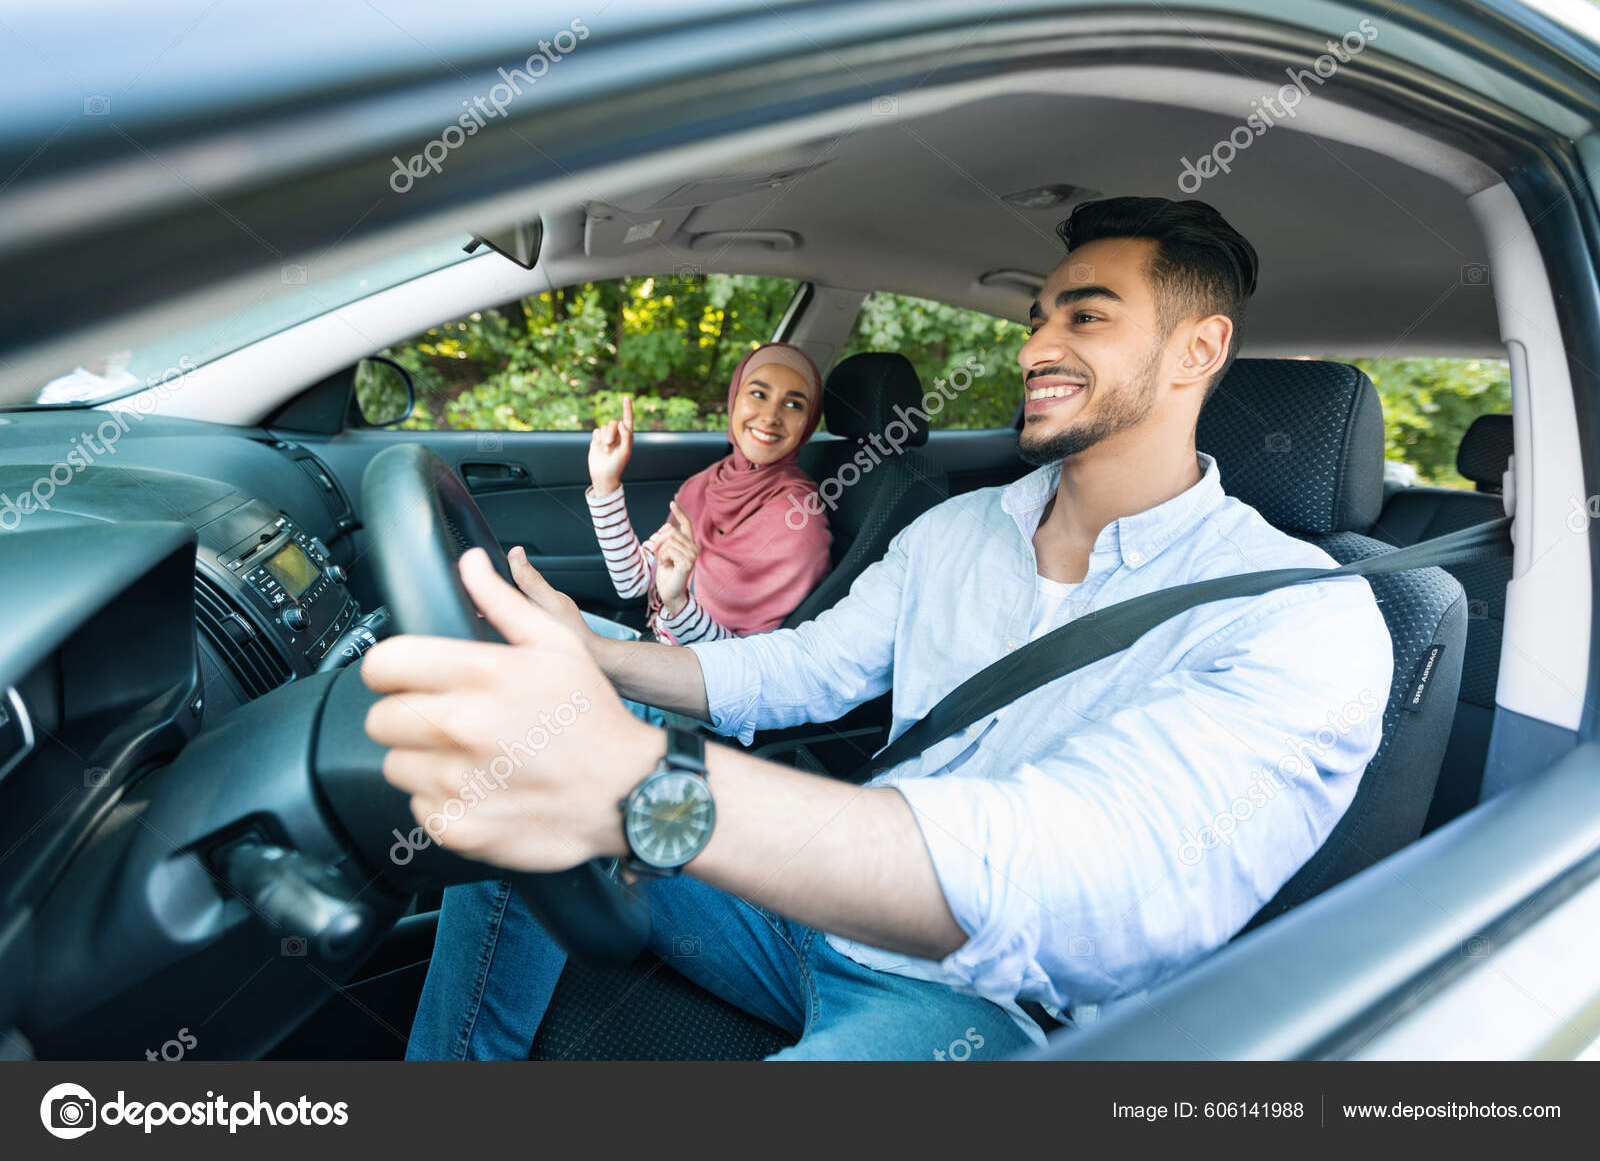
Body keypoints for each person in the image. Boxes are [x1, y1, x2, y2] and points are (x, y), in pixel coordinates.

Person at [377, 197, 1394, 1061]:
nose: (1036, 345)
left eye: (1084, 319)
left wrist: (646, 785)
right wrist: (592, 655)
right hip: (807, 909)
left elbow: (1085, 883)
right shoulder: (955, 529)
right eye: (1038, 317)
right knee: (524, 786)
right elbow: (803, 670)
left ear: (1197, 349)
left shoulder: (1301, 619)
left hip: (974, 1007)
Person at [567, 341, 832, 645]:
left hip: (694, 683)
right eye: (758, 394)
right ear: (734, 399)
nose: (771, 416)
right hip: (655, 647)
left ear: (808, 423)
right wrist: (606, 483)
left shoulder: (798, 521)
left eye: (793, 404)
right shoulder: (708, 483)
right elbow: (633, 582)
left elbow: (747, 665)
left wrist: (678, 603)